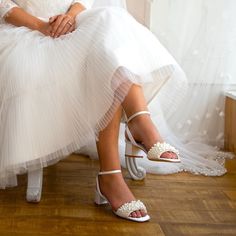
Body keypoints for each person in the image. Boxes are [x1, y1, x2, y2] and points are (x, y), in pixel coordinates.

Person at [0, 0, 186, 222]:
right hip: (26, 30)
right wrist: (41, 26)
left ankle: (137, 125)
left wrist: (70, 17)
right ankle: (117, 164)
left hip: (73, 22)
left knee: (111, 19)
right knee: (103, 52)